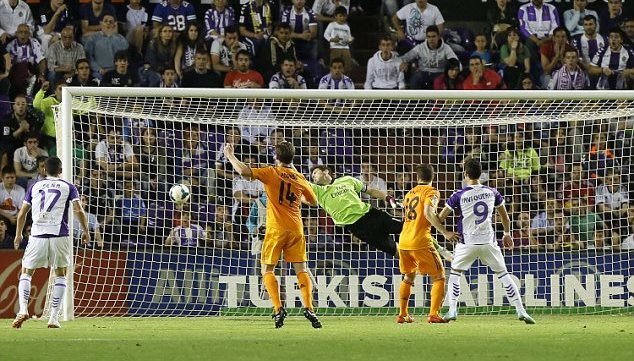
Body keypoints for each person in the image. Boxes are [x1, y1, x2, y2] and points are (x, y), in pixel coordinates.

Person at [223, 141, 322, 329]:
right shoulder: (299, 177)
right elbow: (313, 202)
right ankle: (309, 308)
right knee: (301, 269)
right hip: (296, 229)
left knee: (267, 270)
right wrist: (296, 192)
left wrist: (230, 155)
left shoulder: (271, 172)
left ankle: (278, 309)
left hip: (276, 229)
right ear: (293, 158)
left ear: (276, 157)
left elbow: (244, 171)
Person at [438, 158, 535, 324]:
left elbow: (440, 217)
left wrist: (435, 220)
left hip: (466, 243)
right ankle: (521, 311)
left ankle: (453, 309)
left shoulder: (458, 195)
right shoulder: (492, 192)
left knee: (455, 274)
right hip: (488, 242)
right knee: (504, 275)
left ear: (465, 174)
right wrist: (506, 233)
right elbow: (504, 216)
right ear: (481, 174)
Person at [11, 156, 91, 329]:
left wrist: (18, 235)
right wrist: (86, 231)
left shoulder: (34, 186)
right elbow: (78, 210)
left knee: (26, 272)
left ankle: (23, 309)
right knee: (61, 273)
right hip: (59, 234)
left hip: (38, 234)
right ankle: (54, 318)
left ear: (44, 170)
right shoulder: (69, 186)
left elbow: (22, 213)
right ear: (61, 170)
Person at [397, 164, 457, 324]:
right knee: (439, 276)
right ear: (433, 176)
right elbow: (427, 212)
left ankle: (402, 315)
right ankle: (433, 314)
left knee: (408, 276)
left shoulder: (409, 194)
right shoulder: (432, 191)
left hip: (403, 241)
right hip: (420, 240)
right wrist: (445, 232)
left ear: (417, 178)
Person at [323, 6, 354, 74]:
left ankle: (346, 79)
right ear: (335, 16)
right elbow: (325, 34)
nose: (342, 18)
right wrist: (332, 39)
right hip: (335, 47)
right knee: (335, 64)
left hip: (345, 48)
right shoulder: (332, 25)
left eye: (344, 16)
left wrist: (350, 40)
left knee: (347, 65)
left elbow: (349, 37)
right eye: (340, 16)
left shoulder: (347, 26)